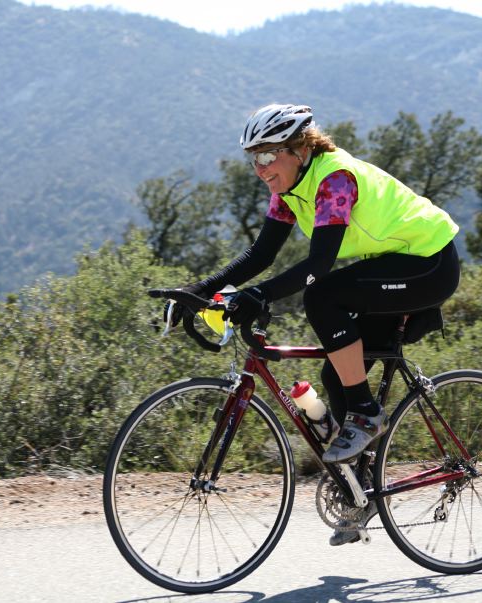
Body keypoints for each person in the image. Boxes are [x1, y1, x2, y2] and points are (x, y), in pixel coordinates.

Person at [166, 104, 460, 543]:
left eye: (268, 156)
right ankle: (362, 495)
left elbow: (320, 264)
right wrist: (198, 291)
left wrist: (259, 295)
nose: (260, 169)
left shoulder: (334, 179)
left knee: (322, 294)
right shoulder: (288, 188)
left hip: (429, 263)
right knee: (335, 371)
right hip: (392, 264)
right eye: (254, 159)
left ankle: (365, 415)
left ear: (300, 149)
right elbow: (261, 255)